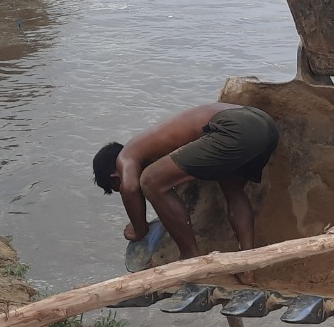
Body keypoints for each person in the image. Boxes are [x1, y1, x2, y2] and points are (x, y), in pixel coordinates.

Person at [91, 103, 280, 280]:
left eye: (118, 187)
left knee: (150, 181)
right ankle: (247, 265)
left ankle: (190, 257)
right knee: (234, 191)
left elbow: (131, 187)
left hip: (234, 127)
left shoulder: (126, 155)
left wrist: (139, 228)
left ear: (116, 175)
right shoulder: (152, 145)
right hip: (264, 125)